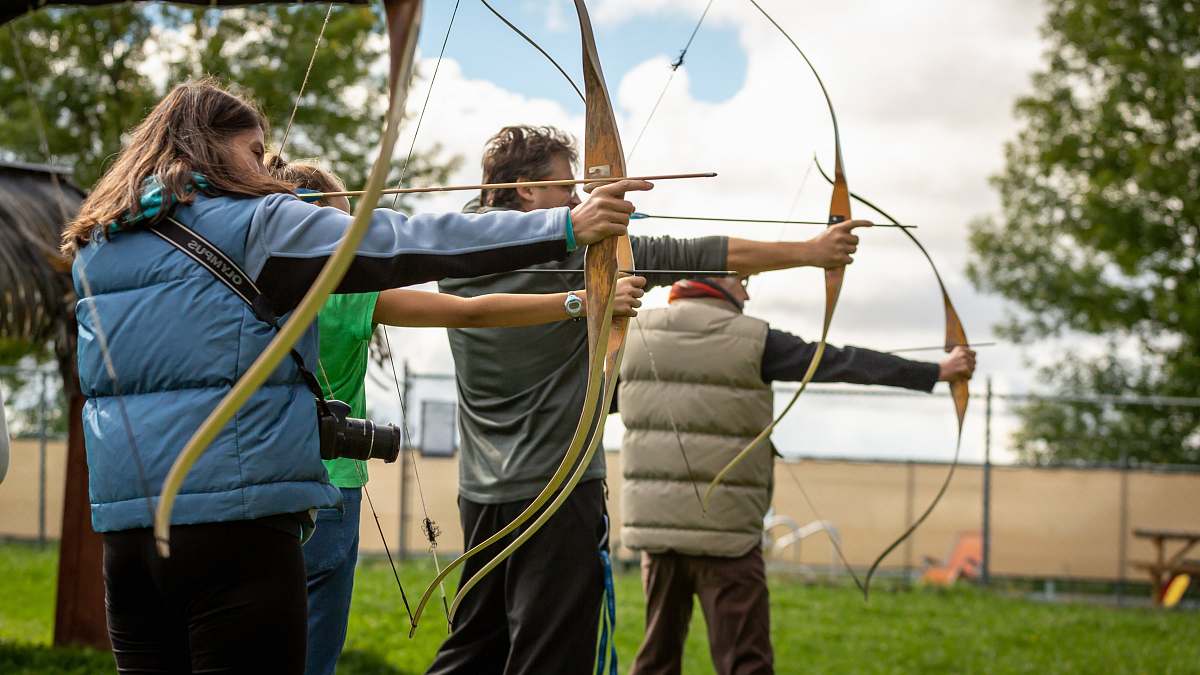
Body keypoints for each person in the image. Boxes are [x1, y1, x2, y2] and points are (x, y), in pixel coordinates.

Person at [62, 79, 645, 675]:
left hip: (130, 536)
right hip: (237, 530)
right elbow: (406, 239)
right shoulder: (261, 225)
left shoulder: (100, 241)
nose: (267, 168)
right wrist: (564, 226)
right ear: (213, 149)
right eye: (254, 152)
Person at [427, 125, 873, 675]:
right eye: (567, 188)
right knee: (552, 656)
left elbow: (693, 252)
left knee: (475, 648)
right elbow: (698, 253)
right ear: (525, 189)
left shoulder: (452, 251)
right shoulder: (578, 264)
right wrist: (812, 251)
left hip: (480, 491)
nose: (576, 199)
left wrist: (591, 249)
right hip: (559, 491)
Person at [268, 159, 647, 675]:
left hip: (254, 489)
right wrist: (582, 300)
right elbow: (472, 313)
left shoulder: (242, 285)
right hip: (330, 489)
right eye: (341, 223)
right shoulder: (345, 293)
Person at [620, 275, 977, 675]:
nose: (747, 292)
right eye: (742, 280)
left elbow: (599, 402)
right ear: (715, 278)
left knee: (656, 659)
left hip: (657, 533)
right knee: (745, 663)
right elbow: (843, 361)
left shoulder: (635, 335)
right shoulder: (754, 338)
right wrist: (937, 371)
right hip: (727, 534)